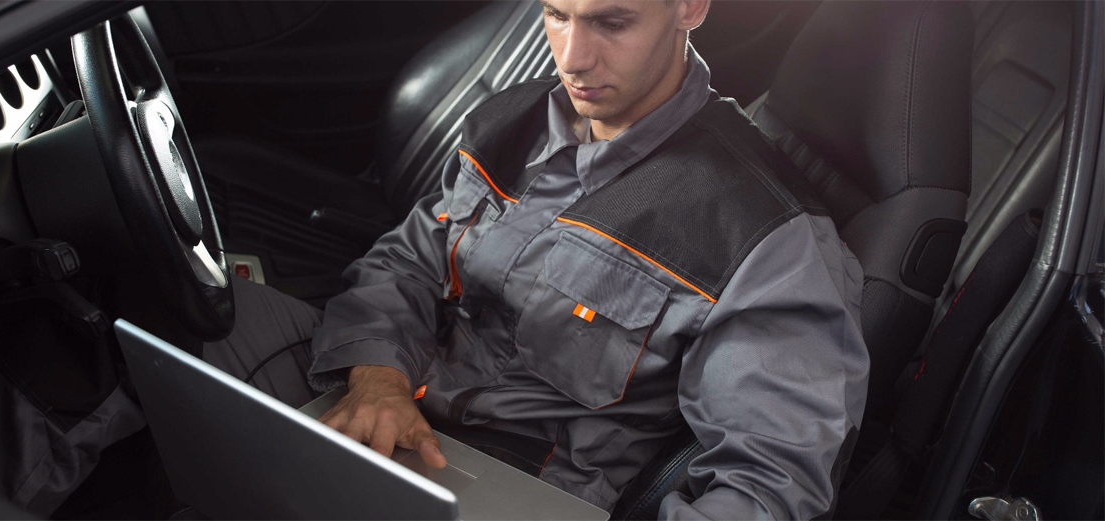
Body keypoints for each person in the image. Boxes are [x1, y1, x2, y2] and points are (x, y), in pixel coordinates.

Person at [205, 0, 870, 517]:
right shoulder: (513, 120)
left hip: (519, 481)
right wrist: (376, 377)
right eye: (556, 15)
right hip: (394, 402)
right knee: (183, 314)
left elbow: (767, 484)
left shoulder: (764, 236)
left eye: (612, 21)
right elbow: (407, 260)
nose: (574, 57)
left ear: (689, 8)